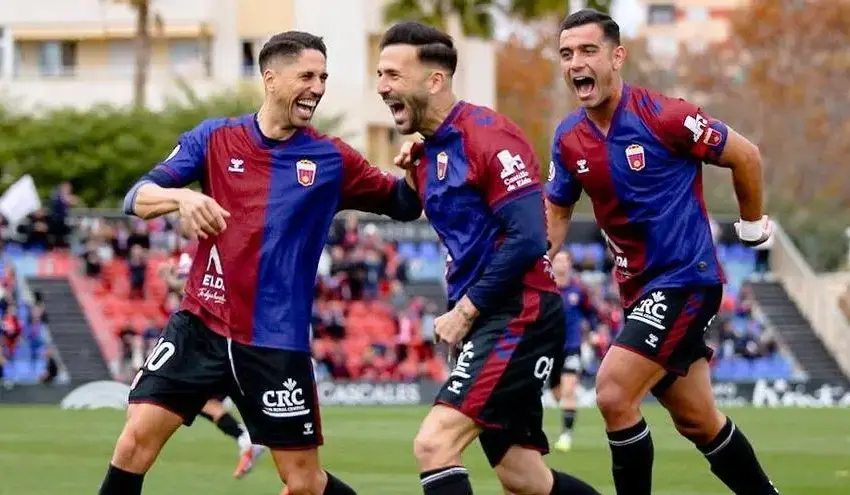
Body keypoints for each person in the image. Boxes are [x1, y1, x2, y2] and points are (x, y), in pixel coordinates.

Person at [98, 31, 422, 495]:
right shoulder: (214, 138)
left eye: (323, 77)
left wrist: (413, 166)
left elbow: (405, 204)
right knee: (132, 445)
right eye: (306, 76)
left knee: (305, 483)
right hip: (200, 326)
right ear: (270, 79)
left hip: (274, 340)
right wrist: (179, 199)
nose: (317, 87)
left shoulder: (332, 158)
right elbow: (137, 196)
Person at [545, 9, 778, 495]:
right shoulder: (568, 139)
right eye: (566, 54)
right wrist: (540, 264)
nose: (575, 63)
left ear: (617, 56)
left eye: (588, 51)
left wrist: (753, 228)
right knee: (699, 421)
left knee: (612, 393)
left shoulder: (665, 115)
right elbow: (559, 208)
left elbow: (746, 155)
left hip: (686, 279)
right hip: (639, 291)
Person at [379, 21, 599, 495]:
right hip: (491, 317)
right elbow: (404, 205)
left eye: (394, 75)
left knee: (434, 444)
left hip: (518, 312)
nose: (382, 86)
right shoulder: (426, 151)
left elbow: (528, 237)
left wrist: (465, 311)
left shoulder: (489, 136)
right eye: (380, 75)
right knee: (523, 478)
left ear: (434, 80)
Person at [159, 243, 268, 479]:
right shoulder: (189, 250)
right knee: (201, 400)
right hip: (211, 336)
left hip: (220, 337)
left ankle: (254, 441)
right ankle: (246, 438)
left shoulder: (207, 245)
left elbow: (200, 289)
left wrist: (170, 280)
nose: (181, 217)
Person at [548, 250, 597, 453]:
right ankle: (567, 413)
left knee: (569, 390)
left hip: (572, 347)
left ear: (569, 264)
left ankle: (566, 435)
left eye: (564, 260)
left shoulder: (578, 291)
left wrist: (593, 331)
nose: (561, 264)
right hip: (549, 348)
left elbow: (591, 312)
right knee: (556, 392)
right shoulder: (547, 290)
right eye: (557, 260)